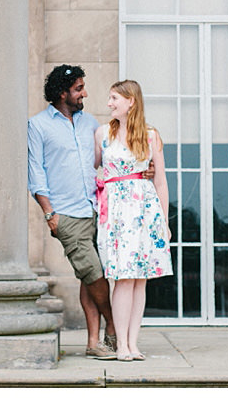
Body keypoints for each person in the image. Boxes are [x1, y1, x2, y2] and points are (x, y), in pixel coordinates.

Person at [27, 65, 118, 359]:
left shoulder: (90, 122)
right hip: (66, 214)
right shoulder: (38, 125)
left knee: (85, 276)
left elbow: (110, 157)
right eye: (79, 88)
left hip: (96, 208)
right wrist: (49, 213)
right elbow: (36, 172)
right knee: (94, 274)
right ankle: (114, 326)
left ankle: (93, 343)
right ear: (62, 92)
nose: (85, 94)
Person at [93, 79, 172, 362]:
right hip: (116, 212)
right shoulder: (103, 134)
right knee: (123, 278)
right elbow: (93, 171)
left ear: (131, 102)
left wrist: (163, 221)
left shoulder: (151, 136)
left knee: (140, 280)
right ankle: (121, 345)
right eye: (110, 97)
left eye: (115, 98)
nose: (109, 103)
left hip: (144, 210)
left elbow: (161, 182)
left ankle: (133, 343)